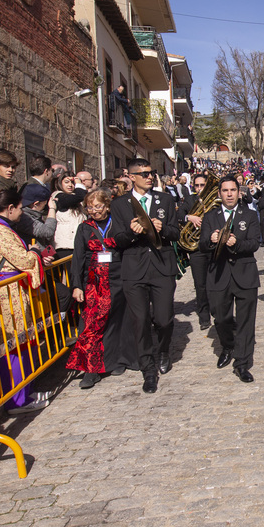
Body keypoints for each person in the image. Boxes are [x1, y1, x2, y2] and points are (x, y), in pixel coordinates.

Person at [111, 157, 180, 394]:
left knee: (164, 319)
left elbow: (176, 232)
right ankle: (147, 368)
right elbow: (117, 239)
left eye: (151, 173)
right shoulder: (120, 204)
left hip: (161, 266)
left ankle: (163, 350)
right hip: (134, 268)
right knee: (139, 321)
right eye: (144, 174)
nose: (149, 177)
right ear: (131, 177)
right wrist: (132, 233)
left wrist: (163, 228)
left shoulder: (165, 200)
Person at [0, 187, 48, 414]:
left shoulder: (2, 228)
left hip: (14, 292)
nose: (21, 212)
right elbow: (22, 259)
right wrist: (34, 251)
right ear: (10, 209)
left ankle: (25, 392)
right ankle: (16, 399)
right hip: (6, 293)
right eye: (19, 208)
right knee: (13, 346)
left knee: (23, 342)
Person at [200, 176, 260, 383]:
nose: (229, 194)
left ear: (238, 192)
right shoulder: (210, 216)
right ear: (219, 193)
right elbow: (201, 245)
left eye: (233, 190)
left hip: (245, 274)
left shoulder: (250, 215)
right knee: (221, 318)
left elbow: (254, 243)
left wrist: (236, 243)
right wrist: (211, 240)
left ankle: (242, 363)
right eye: (225, 190)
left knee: (246, 322)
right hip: (219, 274)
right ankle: (227, 345)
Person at [67, 190, 128, 389]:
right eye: (90, 207)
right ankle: (90, 369)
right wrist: (77, 285)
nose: (94, 211)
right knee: (92, 324)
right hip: (94, 282)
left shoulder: (117, 223)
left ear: (107, 206)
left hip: (118, 278)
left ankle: (115, 360)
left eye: (98, 206)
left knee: (116, 321)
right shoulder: (84, 228)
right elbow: (77, 258)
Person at [179, 172, 215, 331]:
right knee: (200, 284)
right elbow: (178, 214)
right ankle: (204, 317)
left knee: (215, 282)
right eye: (197, 185)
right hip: (197, 249)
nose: (200, 188)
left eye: (202, 185)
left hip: (213, 246)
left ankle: (218, 312)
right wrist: (189, 217)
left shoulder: (215, 199)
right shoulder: (190, 200)